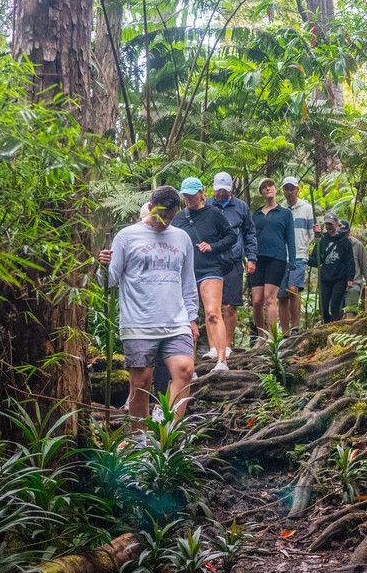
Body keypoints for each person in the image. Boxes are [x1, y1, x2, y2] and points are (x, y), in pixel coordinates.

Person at [98, 185, 199, 437]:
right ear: (151, 208)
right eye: (161, 215)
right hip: (138, 322)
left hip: (176, 321)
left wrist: (192, 318)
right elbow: (109, 281)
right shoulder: (127, 236)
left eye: (171, 217)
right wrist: (103, 266)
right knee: (141, 384)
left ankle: (167, 434)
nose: (165, 222)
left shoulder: (182, 238)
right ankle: (139, 439)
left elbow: (188, 282)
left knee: (185, 370)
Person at [172, 176, 238, 371]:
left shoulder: (213, 213)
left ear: (201, 193)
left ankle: (222, 361)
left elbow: (231, 236)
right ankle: (189, 367)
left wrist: (213, 246)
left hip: (210, 268)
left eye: (192, 195)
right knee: (187, 318)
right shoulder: (179, 218)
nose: (188, 199)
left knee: (212, 313)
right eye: (185, 195)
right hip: (186, 272)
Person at [206, 171, 257, 357]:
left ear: (231, 189)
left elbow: (250, 233)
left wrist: (252, 258)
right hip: (211, 261)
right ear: (213, 188)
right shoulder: (207, 205)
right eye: (218, 190)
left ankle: (226, 346)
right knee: (211, 307)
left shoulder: (241, 207)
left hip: (233, 261)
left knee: (229, 305)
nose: (221, 194)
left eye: (225, 190)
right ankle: (213, 347)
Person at [250, 177, 296, 340]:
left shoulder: (285, 213)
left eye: (270, 186)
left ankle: (272, 338)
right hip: (257, 260)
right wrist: (248, 257)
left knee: (270, 298)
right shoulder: (255, 215)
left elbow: (290, 238)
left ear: (276, 190)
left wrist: (292, 261)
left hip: (276, 258)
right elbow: (250, 237)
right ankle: (261, 337)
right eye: (264, 187)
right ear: (261, 193)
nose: (268, 188)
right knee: (257, 301)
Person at [277, 176, 315, 334]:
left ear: (297, 189)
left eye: (292, 188)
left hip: (299, 255)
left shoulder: (307, 208)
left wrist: (316, 234)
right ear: (283, 190)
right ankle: (285, 333)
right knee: (282, 296)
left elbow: (312, 235)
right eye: (286, 189)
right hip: (281, 256)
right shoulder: (279, 208)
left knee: (293, 289)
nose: (289, 192)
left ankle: (295, 328)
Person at [309, 211, 355, 324]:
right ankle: (327, 324)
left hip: (339, 278)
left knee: (335, 304)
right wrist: (305, 259)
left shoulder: (344, 242)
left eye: (331, 224)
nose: (329, 226)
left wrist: (350, 278)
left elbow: (349, 261)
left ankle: (335, 326)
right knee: (323, 307)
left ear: (336, 224)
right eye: (327, 224)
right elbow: (315, 258)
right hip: (325, 278)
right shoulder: (322, 240)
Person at [339, 219, 367, 319]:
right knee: (337, 318)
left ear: (349, 232)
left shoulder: (357, 246)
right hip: (337, 286)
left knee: (350, 314)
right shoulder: (333, 245)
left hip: (353, 285)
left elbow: (365, 266)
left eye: (344, 233)